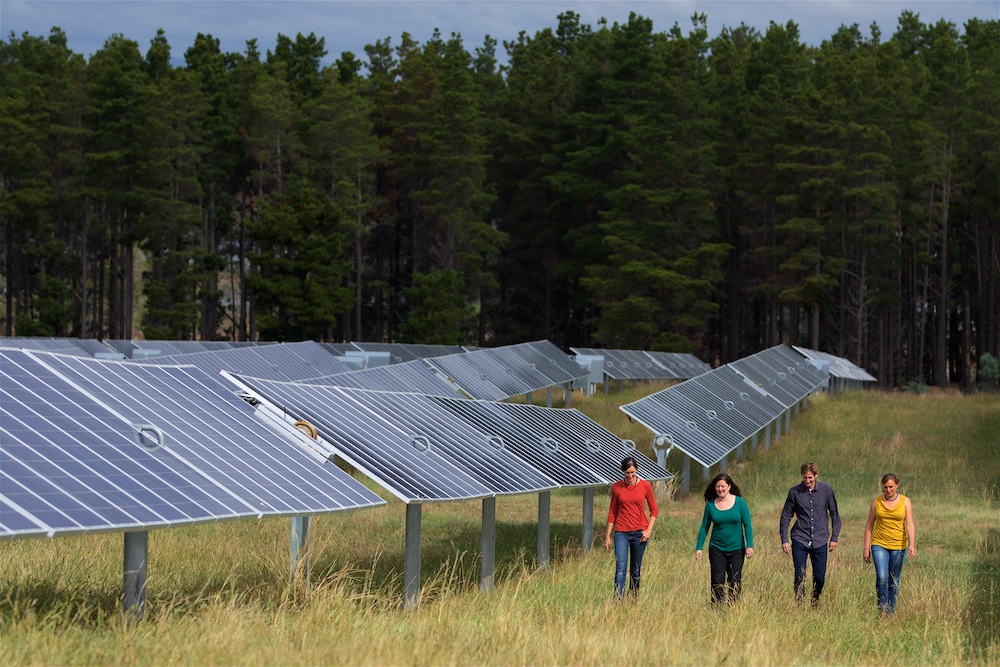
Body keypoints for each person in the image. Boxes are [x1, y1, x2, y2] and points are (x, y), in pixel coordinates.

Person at [779, 461, 841, 605]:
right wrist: (784, 539)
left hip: (820, 539)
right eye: (805, 478)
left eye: (810, 478)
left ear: (816, 475)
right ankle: (800, 604)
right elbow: (786, 516)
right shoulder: (794, 492)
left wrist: (834, 537)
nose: (807, 481)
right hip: (800, 538)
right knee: (800, 575)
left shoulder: (826, 490)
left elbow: (834, 514)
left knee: (819, 578)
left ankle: (815, 600)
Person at [604, 456, 658, 598]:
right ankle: (618, 600)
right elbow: (612, 512)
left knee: (635, 570)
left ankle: (634, 599)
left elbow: (654, 510)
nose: (630, 476)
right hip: (621, 532)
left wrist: (648, 530)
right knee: (620, 568)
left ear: (637, 470)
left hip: (640, 533)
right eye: (627, 473)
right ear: (622, 471)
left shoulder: (645, 486)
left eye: (633, 472)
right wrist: (607, 536)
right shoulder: (617, 487)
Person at [695, 473, 754, 605]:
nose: (720, 489)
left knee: (735, 580)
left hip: (736, 548)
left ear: (729, 486)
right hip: (717, 548)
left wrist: (749, 545)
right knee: (717, 580)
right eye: (718, 486)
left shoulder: (740, 502)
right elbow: (704, 527)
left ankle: (733, 606)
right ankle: (717, 607)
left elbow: (747, 525)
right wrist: (699, 548)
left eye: (723, 486)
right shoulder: (710, 505)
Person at [863, 473, 916, 616]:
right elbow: (869, 525)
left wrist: (912, 544)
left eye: (891, 487)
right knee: (882, 576)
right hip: (879, 543)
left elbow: (909, 524)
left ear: (897, 485)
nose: (888, 490)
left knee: (894, 580)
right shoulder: (877, 502)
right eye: (885, 487)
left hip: (899, 545)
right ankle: (883, 608)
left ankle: (890, 612)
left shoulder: (905, 502)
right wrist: (866, 547)